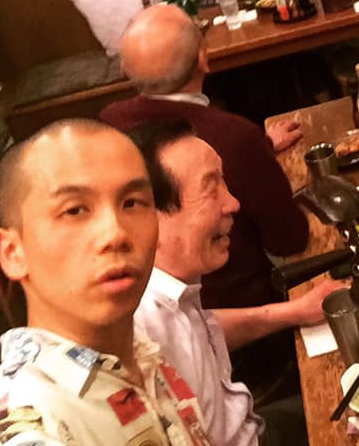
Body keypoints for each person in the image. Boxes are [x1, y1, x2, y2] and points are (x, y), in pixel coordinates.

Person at [101, 4, 311, 405]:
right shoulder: (233, 136)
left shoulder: (109, 124)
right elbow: (290, 239)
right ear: (203, 57)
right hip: (251, 342)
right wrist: (252, 149)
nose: (230, 202)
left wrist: (260, 147)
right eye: (212, 184)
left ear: (127, 70)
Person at [0, 120, 215, 445]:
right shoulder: (24, 424)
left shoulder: (141, 354)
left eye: (132, 202)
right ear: (12, 252)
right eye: (75, 210)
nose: (115, 234)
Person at [131, 120, 342, 446]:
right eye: (210, 187)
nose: (233, 203)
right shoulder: (138, 329)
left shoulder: (172, 291)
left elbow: (202, 328)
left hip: (251, 424)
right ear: (150, 218)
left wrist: (295, 311)